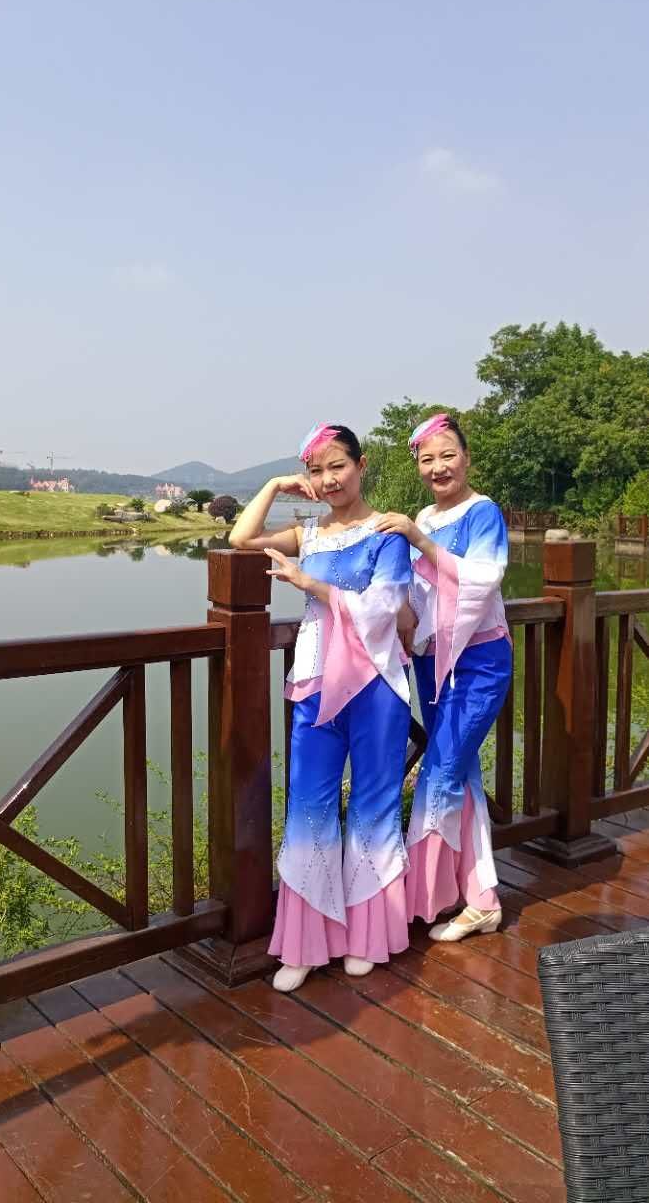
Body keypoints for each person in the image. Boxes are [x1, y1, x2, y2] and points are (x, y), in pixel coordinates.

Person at [229, 423, 413, 991]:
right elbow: (241, 537)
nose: (329, 479)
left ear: (361, 465)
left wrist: (308, 584)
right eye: (317, 470)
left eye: (339, 466)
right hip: (313, 681)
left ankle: (368, 937)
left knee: (373, 806)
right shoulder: (307, 533)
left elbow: (385, 608)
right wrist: (275, 485)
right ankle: (306, 943)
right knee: (309, 807)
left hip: (376, 684)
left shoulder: (387, 532)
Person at [376, 413, 512, 942]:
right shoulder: (426, 516)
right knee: (462, 777)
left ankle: (419, 898)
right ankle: (478, 896)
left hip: (476, 663)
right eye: (427, 459)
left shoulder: (483, 513)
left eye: (448, 455)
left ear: (467, 458)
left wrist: (419, 539)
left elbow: (482, 580)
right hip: (433, 662)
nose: (438, 467)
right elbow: (416, 591)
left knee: (439, 773)